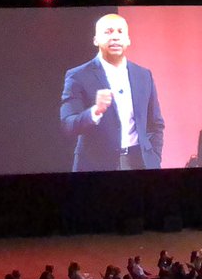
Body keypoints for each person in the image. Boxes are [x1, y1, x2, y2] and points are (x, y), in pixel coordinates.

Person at [60, 13, 165, 172]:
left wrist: (154, 157)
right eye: (108, 32)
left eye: (120, 32)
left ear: (128, 40)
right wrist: (95, 111)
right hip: (96, 165)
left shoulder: (143, 75)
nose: (115, 37)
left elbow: (156, 123)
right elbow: (68, 124)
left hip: (139, 162)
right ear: (96, 40)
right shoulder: (78, 76)